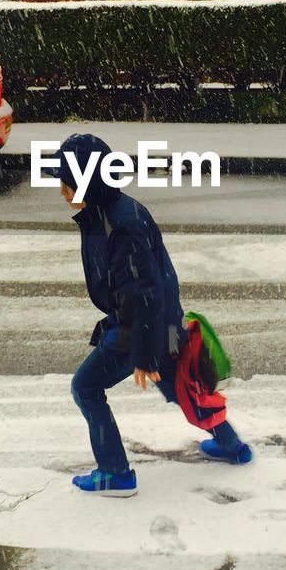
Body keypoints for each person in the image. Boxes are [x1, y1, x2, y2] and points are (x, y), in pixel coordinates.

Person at [54, 133, 252, 498]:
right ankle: (232, 446)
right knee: (181, 389)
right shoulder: (109, 211)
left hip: (140, 329)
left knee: (85, 387)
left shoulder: (120, 223)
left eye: (67, 180)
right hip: (157, 325)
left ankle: (115, 473)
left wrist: (142, 354)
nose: (62, 190)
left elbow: (143, 293)